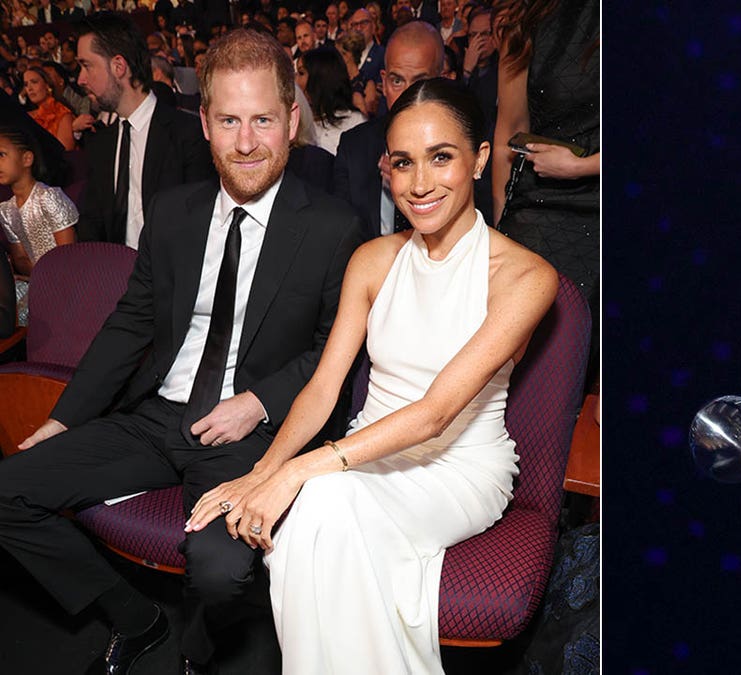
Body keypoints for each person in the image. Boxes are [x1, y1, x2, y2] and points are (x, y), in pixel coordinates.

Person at [0, 27, 362, 675]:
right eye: (228, 120)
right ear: (204, 121)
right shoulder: (173, 212)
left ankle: (202, 651)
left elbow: (333, 354)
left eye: (262, 120)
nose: (246, 142)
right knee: (6, 491)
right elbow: (129, 324)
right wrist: (64, 417)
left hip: (249, 433)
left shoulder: (334, 227)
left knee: (221, 571)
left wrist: (258, 400)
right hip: (156, 416)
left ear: (290, 120)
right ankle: (136, 620)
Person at [188, 77, 557, 674]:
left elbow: (437, 413)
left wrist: (299, 470)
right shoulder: (373, 258)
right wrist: (261, 472)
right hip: (361, 457)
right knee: (321, 511)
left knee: (317, 505)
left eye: (442, 158)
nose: (420, 184)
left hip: (459, 466)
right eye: (404, 162)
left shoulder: (524, 277)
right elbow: (324, 387)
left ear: (480, 159)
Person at [493, 0, 599, 370]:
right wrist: (500, 233)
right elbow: (510, 127)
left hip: (608, 204)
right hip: (538, 202)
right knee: (520, 364)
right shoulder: (525, 15)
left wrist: (585, 167)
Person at [73, 12, 214, 248]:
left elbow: (199, 230)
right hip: (114, 276)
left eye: (87, 66)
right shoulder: (100, 143)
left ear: (118, 66)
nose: (80, 79)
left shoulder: (187, 135)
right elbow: (92, 228)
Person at [333, 20, 442, 240]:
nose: (406, 97)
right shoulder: (354, 146)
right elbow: (339, 237)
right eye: (397, 81)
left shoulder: (463, 150)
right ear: (383, 81)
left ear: (442, 81)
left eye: (419, 82)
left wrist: (414, 189)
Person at [0, 122, 78, 326]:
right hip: (35, 281)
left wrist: (44, 280)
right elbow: (20, 258)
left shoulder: (48, 197)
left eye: (1, 155)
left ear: (27, 158)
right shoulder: (6, 210)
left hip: (64, 283)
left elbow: (68, 255)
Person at [297, 47, 366, 156]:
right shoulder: (297, 124)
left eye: (301, 73)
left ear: (320, 78)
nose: (295, 80)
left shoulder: (354, 123)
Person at [22, 66, 76, 150]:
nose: (29, 88)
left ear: (47, 85)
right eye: (26, 84)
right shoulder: (26, 117)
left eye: (34, 82)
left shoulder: (62, 112)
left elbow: (66, 152)